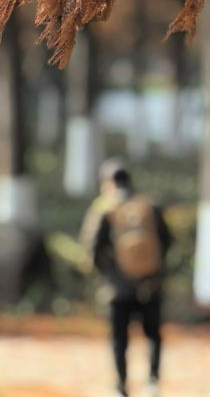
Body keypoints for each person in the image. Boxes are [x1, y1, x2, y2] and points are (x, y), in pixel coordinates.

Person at [83, 159, 172, 397]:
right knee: (153, 334)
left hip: (116, 288)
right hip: (149, 284)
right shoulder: (149, 206)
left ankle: (121, 387)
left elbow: (92, 248)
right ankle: (153, 381)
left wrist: (106, 275)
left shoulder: (104, 209)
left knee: (119, 340)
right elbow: (167, 241)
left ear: (109, 182)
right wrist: (156, 272)